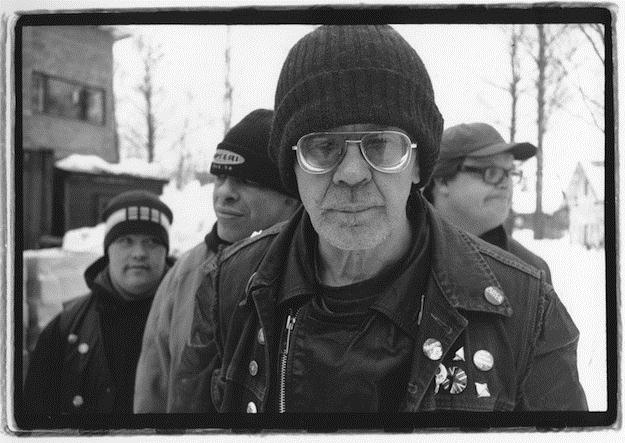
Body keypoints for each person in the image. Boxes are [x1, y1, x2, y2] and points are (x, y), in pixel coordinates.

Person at [183, 25, 587, 413]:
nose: (352, 173)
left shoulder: (524, 312)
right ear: (293, 167)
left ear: (417, 165)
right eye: (323, 146)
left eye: (380, 144)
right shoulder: (229, 291)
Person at [133, 109, 300, 412]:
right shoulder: (186, 271)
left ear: (290, 195)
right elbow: (153, 386)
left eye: (247, 180)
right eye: (220, 177)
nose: (224, 193)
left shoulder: (315, 272)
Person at [24, 190, 174, 414]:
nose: (139, 253)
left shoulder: (192, 321)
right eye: (125, 241)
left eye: (152, 241)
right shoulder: (65, 329)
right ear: (108, 251)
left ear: (166, 252)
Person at [423, 122, 552, 283]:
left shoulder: (531, 272)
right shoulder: (404, 256)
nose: (506, 184)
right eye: (491, 172)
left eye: (510, 172)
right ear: (443, 181)